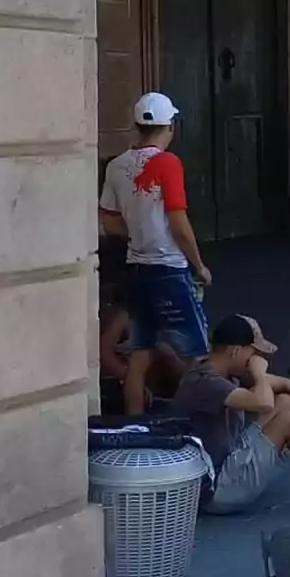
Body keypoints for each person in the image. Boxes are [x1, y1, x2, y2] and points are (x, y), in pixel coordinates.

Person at [99, 92, 212, 416]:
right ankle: (202, 426)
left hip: (137, 268)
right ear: (170, 126)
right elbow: (178, 220)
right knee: (198, 355)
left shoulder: (117, 166)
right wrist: (199, 264)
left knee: (139, 354)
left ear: (137, 126)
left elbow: (108, 220)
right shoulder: (167, 163)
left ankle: (136, 426)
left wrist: (137, 231)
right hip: (170, 269)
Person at [174, 314, 290, 512]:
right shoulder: (204, 382)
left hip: (229, 458)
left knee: (284, 401)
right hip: (216, 486)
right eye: (252, 355)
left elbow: (287, 384)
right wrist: (259, 374)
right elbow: (264, 403)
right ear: (235, 351)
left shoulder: (223, 370)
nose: (255, 361)